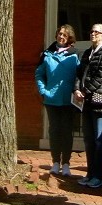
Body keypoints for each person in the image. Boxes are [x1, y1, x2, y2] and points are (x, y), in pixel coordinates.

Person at [34, 24, 79, 177]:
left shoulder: (74, 55)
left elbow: (79, 77)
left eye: (65, 35)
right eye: (60, 34)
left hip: (68, 100)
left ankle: (66, 163)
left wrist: (76, 91)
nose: (61, 37)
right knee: (54, 131)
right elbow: (39, 74)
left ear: (69, 38)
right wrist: (43, 90)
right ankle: (55, 162)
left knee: (67, 132)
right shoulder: (46, 54)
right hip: (51, 99)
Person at [74, 23, 102, 188]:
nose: (93, 34)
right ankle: (90, 173)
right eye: (91, 31)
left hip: (100, 101)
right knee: (89, 140)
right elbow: (79, 73)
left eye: (96, 32)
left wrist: (85, 90)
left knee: (99, 140)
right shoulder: (87, 53)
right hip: (86, 102)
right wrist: (77, 89)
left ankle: (100, 176)